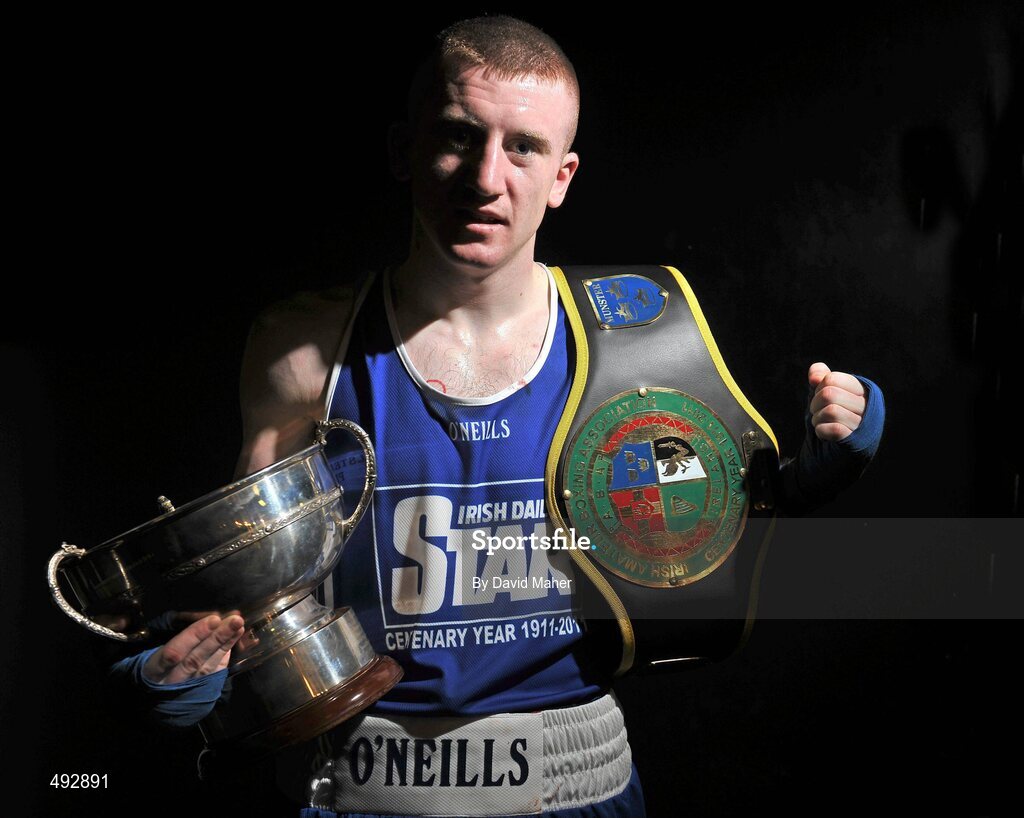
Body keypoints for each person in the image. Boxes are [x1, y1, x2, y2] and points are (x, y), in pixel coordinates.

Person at [110, 14, 885, 817]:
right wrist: (173, 671)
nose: (486, 177)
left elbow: (686, 543)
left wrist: (786, 491)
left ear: (562, 176)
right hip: (358, 790)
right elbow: (247, 592)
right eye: (457, 136)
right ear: (401, 150)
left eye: (524, 147)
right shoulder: (304, 349)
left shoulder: (636, 338)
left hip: (582, 787)